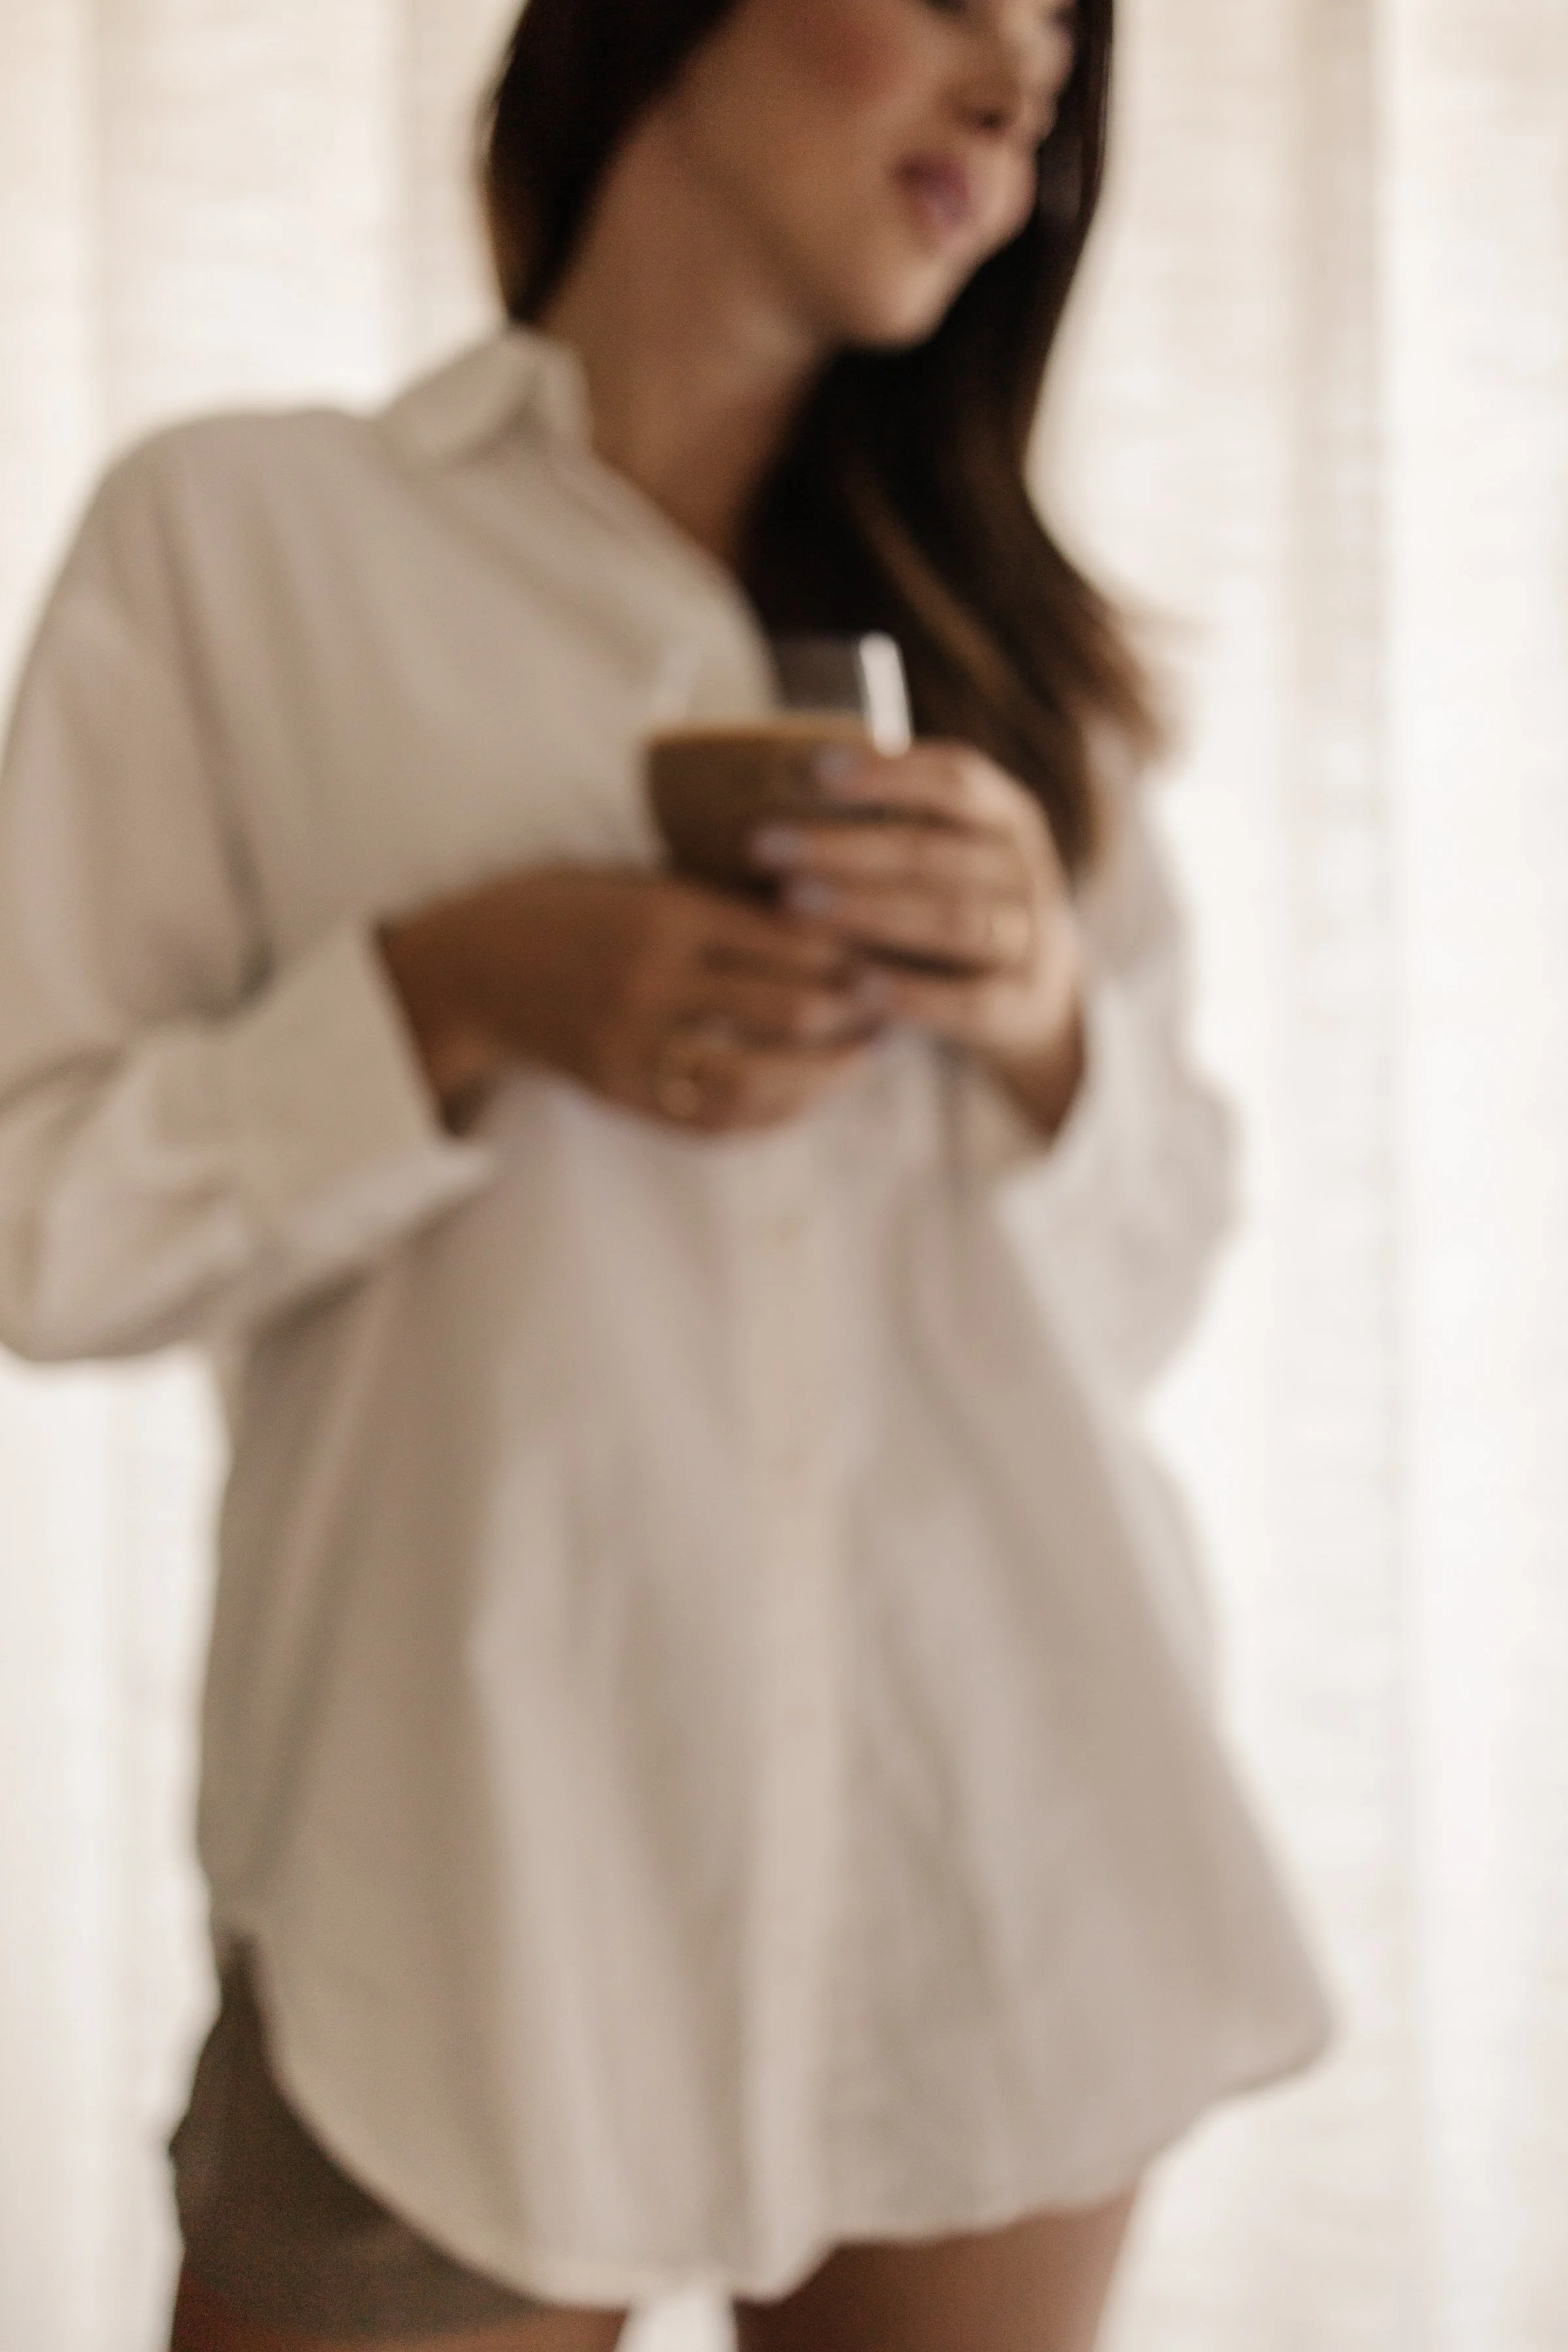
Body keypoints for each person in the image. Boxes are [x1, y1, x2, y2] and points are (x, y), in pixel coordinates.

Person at [0, 1, 1335, 2345]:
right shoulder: (239, 541)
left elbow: (1153, 1290)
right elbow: (41, 1227)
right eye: (956, 2)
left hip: (996, 1859)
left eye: (1057, 62)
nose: (1020, 89)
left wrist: (1041, 1024)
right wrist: (446, 999)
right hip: (457, 1900)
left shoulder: (1027, 662)